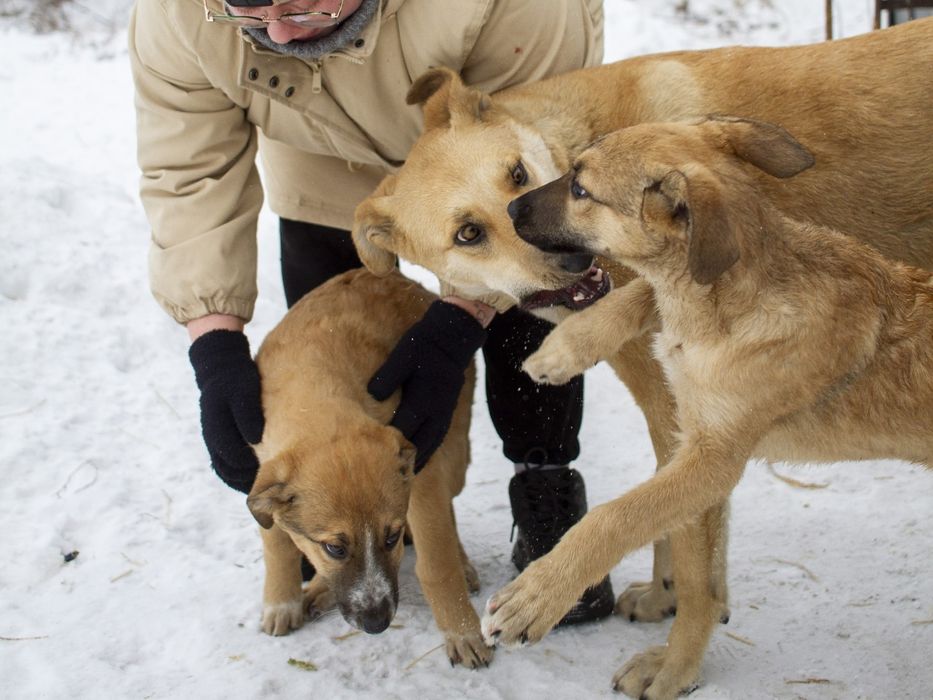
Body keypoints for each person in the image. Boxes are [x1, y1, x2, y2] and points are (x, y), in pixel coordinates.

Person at [130, 0, 613, 624]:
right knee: (333, 330)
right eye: (248, 6)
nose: (276, 29)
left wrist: (459, 321)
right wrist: (213, 340)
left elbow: (532, 149)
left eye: (302, 2)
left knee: (534, 269)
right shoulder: (180, 14)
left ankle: (544, 479)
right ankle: (353, 507)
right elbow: (187, 172)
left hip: (488, 149)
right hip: (319, 145)